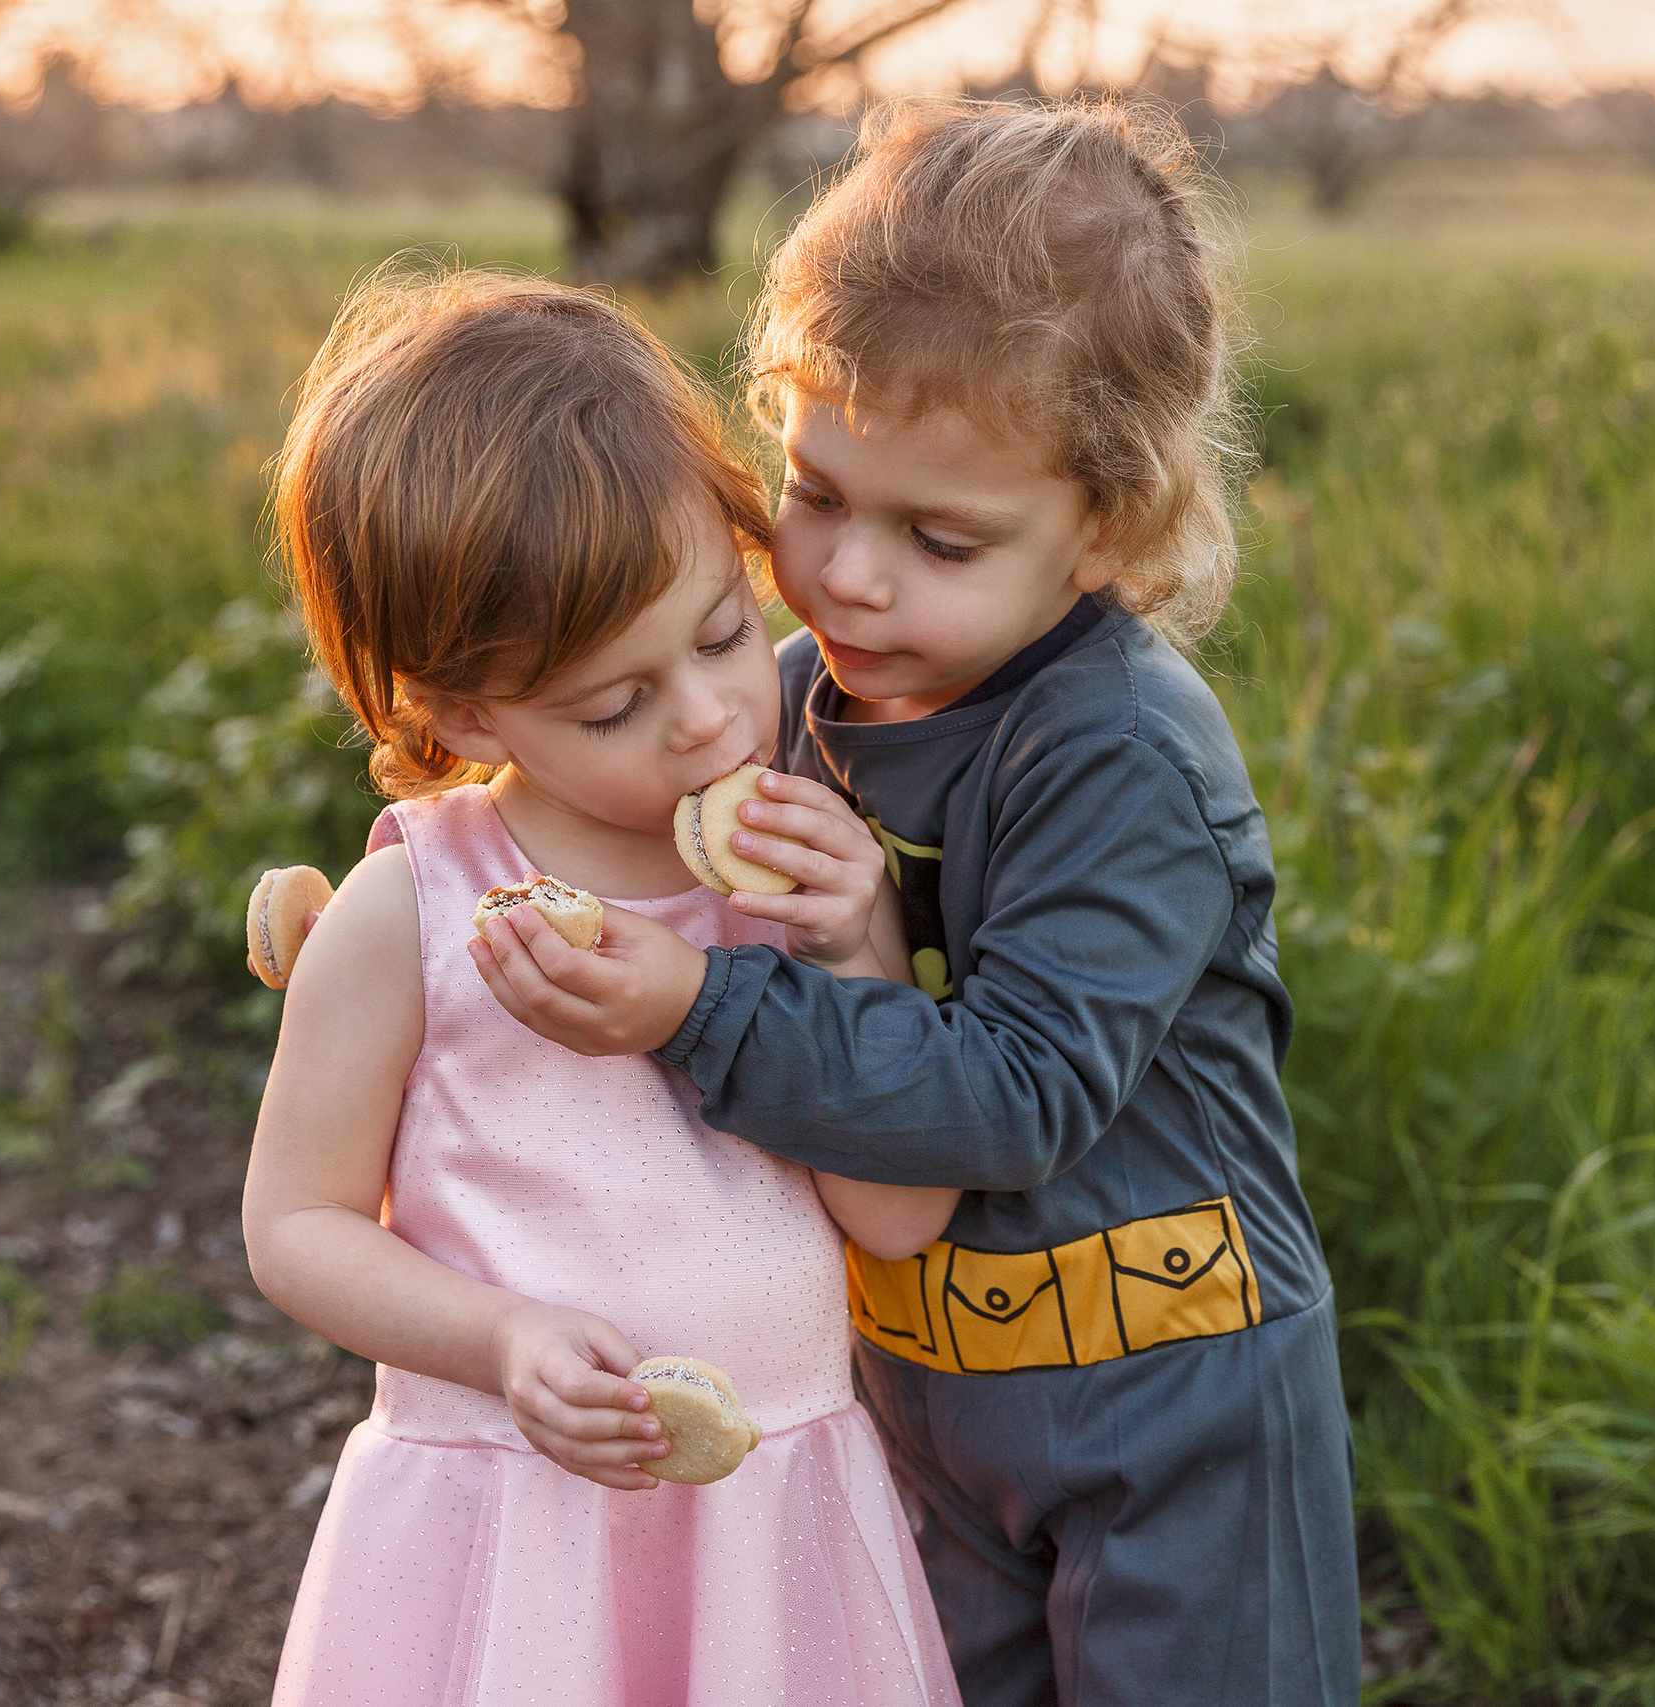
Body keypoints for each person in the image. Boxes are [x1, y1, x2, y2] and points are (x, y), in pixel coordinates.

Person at [471, 99, 1362, 1706]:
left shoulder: (1118, 760)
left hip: (1176, 1407)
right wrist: (422, 913)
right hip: (917, 1391)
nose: (853, 579)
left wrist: (702, 1010)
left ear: (1111, 527)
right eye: (817, 494)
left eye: (940, 538)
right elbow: (594, 823)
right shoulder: (794, 702)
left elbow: (1017, 1095)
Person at [242, 262, 962, 1707]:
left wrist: (852, 938)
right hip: (514, 1530)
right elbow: (296, 1224)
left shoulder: (792, 876)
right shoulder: (416, 910)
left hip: (776, 1519)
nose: (705, 722)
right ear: (454, 708)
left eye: (718, 634)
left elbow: (902, 1210)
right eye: (614, 705)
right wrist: (498, 1341)